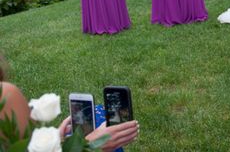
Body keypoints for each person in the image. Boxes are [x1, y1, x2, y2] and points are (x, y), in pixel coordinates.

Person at [0, 59, 139, 151]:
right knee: (101, 119)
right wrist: (91, 144)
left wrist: (56, 140)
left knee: (95, 114)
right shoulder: (5, 94)